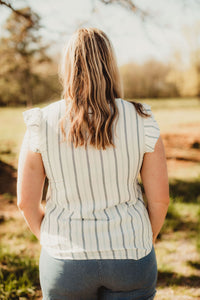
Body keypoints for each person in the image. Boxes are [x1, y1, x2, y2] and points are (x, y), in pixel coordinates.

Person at [17, 27, 170, 300]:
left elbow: (25, 202)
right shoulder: (142, 118)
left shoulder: (42, 122)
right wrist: (145, 239)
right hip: (131, 254)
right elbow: (160, 201)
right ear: (110, 65)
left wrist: (51, 241)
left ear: (67, 67)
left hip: (64, 258)